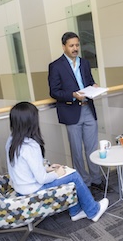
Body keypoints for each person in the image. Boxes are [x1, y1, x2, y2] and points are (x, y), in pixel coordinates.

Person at [6, 101, 109, 222]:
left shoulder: (11, 140)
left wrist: (46, 168)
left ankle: (75, 212)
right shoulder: (30, 145)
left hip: (21, 188)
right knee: (74, 176)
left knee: (67, 174)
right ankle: (93, 211)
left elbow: (23, 169)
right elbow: (42, 179)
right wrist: (56, 174)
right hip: (32, 190)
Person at [48, 31, 109, 193]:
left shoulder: (85, 63)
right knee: (76, 151)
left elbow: (88, 81)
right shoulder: (55, 66)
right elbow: (54, 92)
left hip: (88, 109)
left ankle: (96, 179)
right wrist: (72, 96)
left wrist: (94, 86)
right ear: (64, 47)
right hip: (71, 111)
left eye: (77, 45)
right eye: (71, 46)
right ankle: (84, 182)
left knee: (92, 149)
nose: (75, 48)